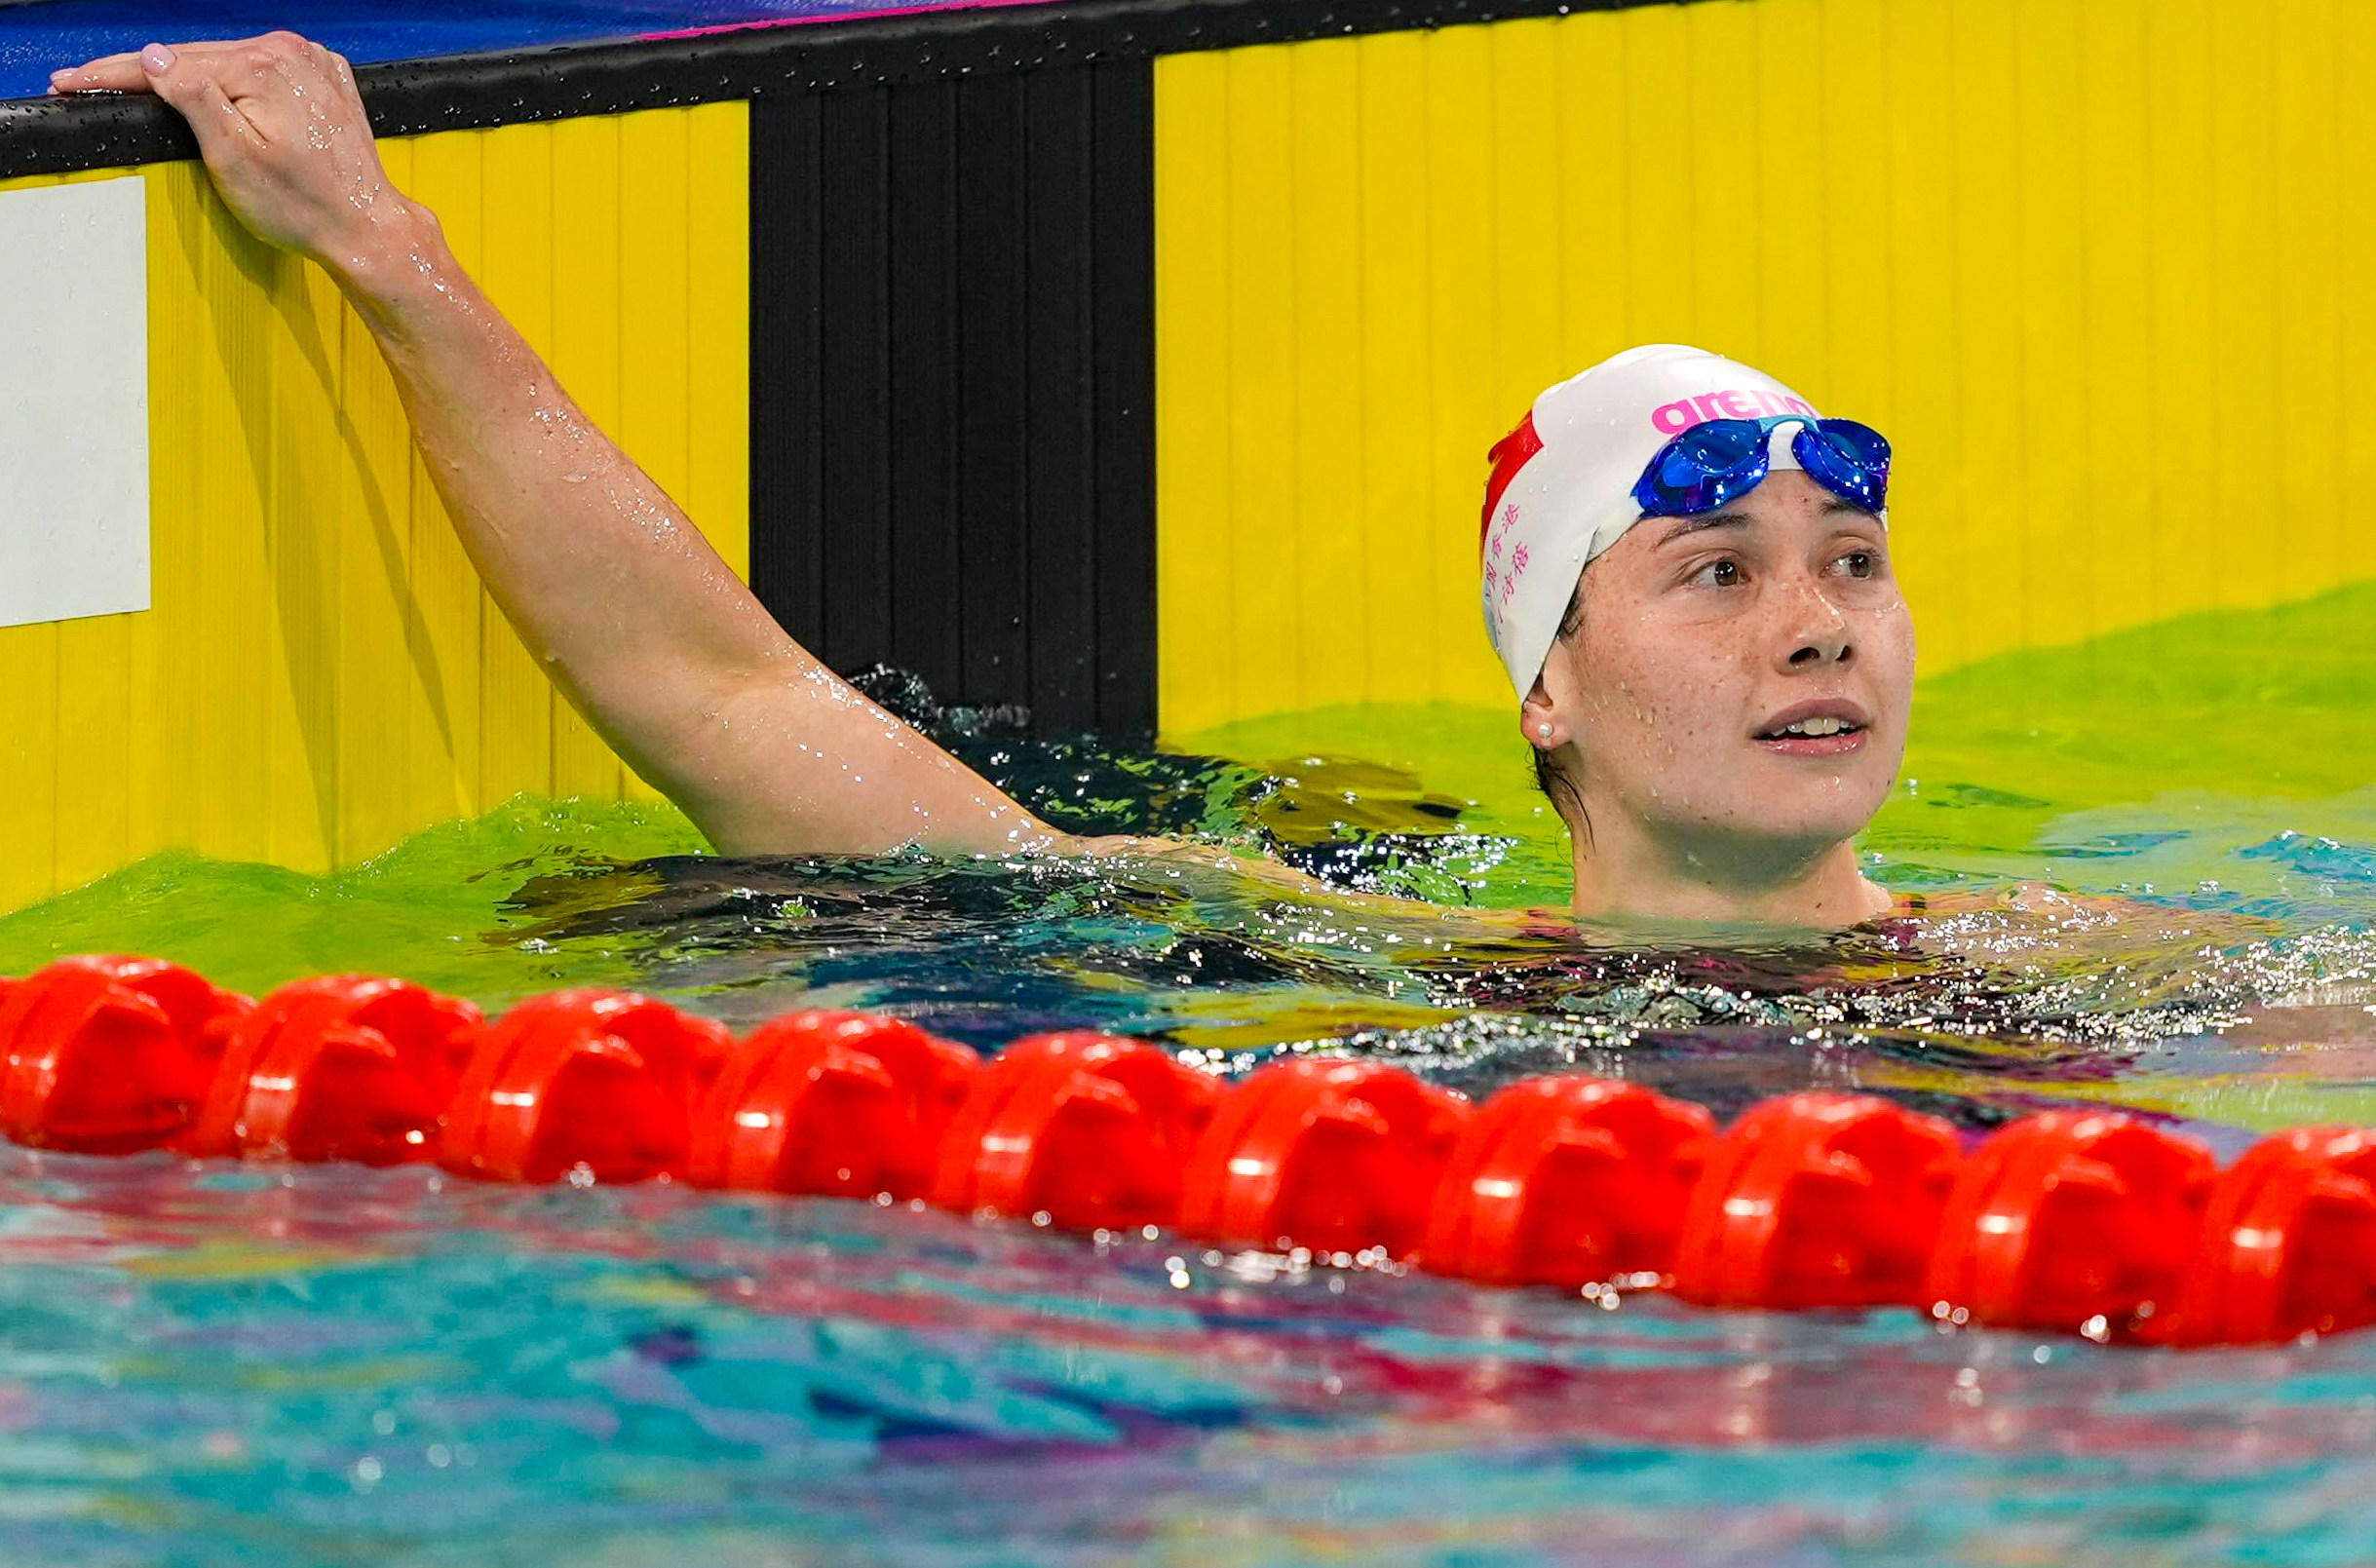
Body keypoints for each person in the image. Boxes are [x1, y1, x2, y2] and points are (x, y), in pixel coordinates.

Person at [51, 34, 1916, 936]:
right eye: (1717, 573)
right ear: (1548, 687)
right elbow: (730, 697)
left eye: (1849, 561)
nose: (1818, 621)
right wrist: (385, 249)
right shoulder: (1357, 956)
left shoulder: (2109, 974)